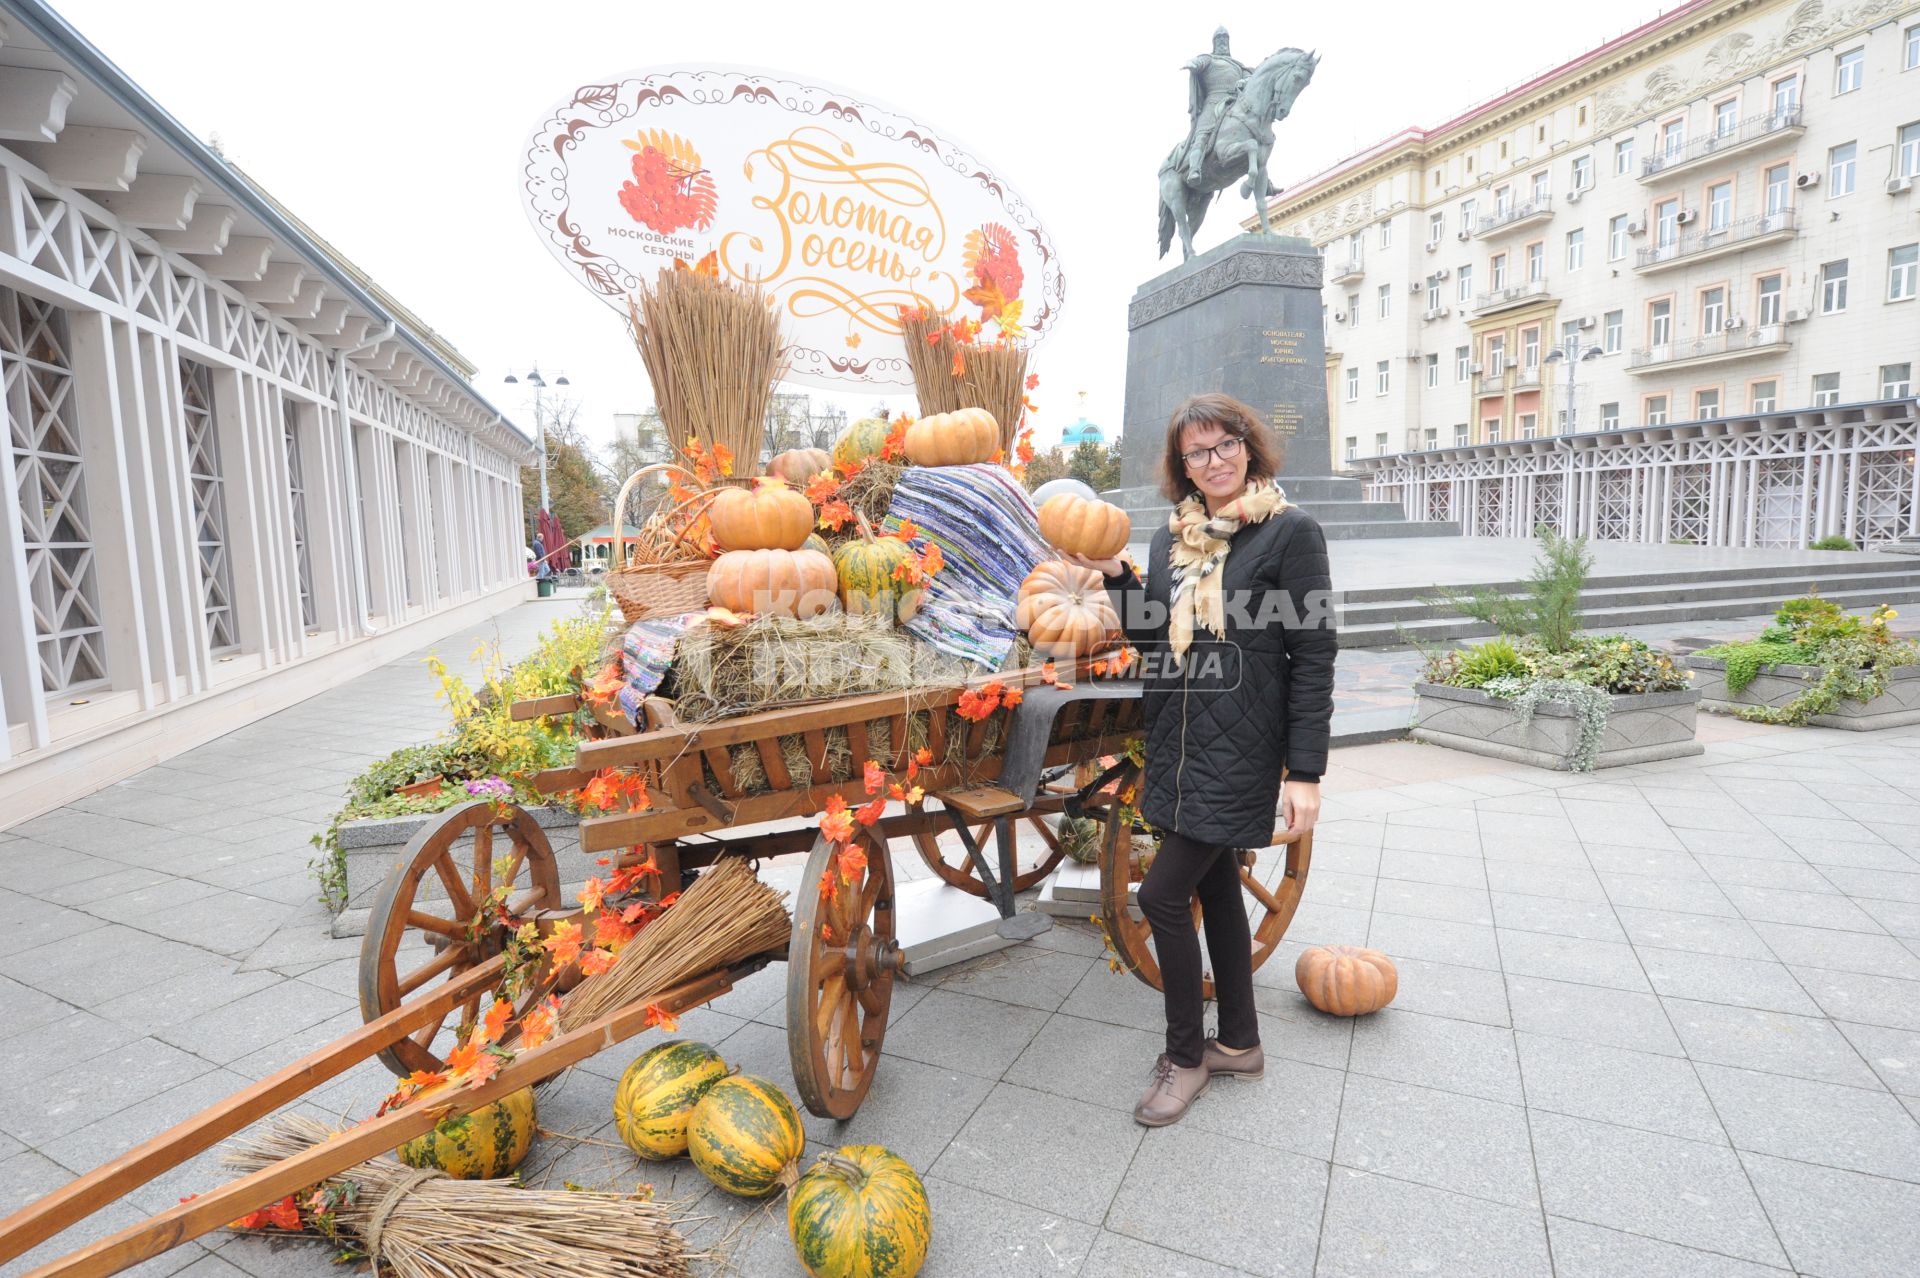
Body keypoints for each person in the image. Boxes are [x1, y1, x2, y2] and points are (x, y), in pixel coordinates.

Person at [1059, 392, 1336, 1127]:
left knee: (1159, 898)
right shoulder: (1169, 542)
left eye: (1224, 446)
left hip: (1244, 747)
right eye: (1196, 453)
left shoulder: (1290, 534)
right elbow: (1155, 643)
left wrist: (1305, 771)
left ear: (1250, 446)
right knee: (1214, 892)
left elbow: (1313, 655)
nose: (1213, 462)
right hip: (1179, 744)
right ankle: (1239, 1043)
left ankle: (1186, 1057)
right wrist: (1119, 580)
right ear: (1180, 467)